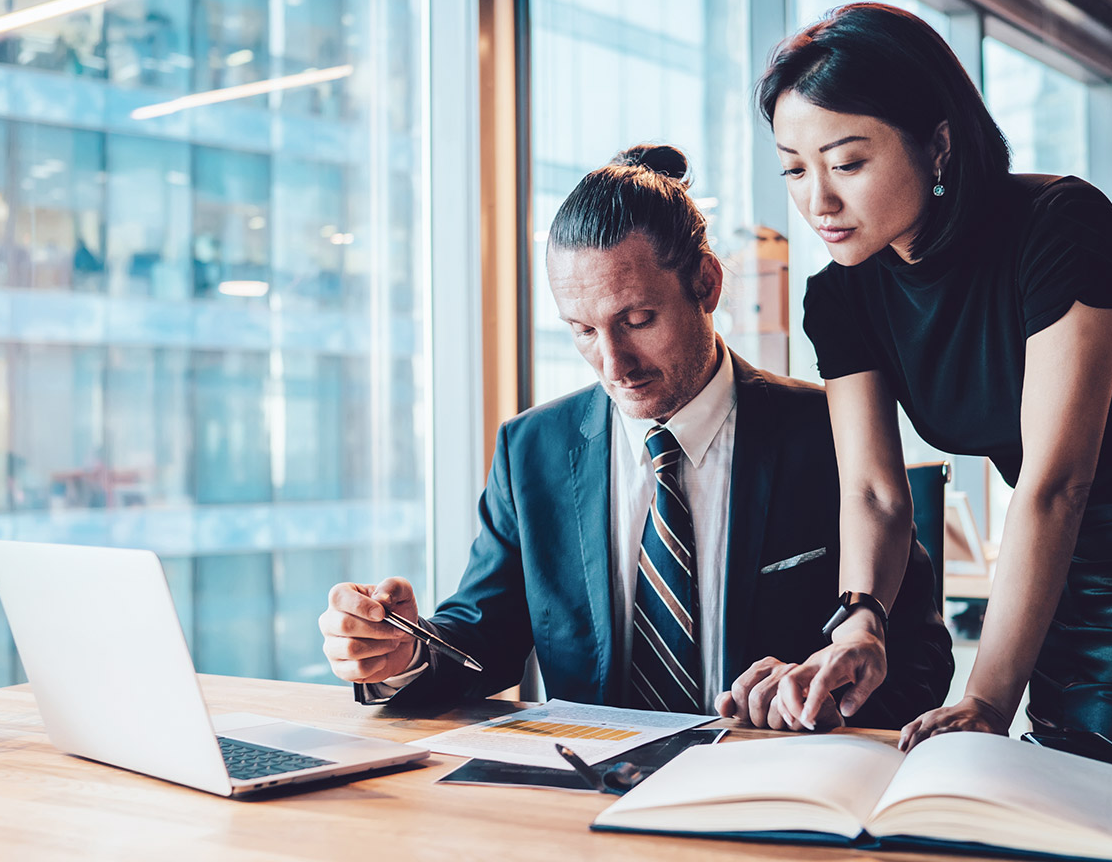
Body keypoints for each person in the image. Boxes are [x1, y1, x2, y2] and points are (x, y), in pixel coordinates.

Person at [756, 3, 1112, 754]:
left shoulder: (1060, 225)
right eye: (794, 168)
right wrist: (861, 616)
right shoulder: (842, 294)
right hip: (1053, 570)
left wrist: (986, 697)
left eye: (847, 163)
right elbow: (873, 491)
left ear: (937, 146)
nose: (818, 200)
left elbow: (1055, 480)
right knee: (1059, 779)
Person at [319, 144, 953, 730]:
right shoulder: (531, 451)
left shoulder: (830, 434)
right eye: (583, 331)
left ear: (706, 284)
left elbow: (923, 660)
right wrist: (402, 650)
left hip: (766, 792)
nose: (614, 364)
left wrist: (821, 700)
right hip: (587, 805)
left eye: (637, 320)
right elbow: (482, 640)